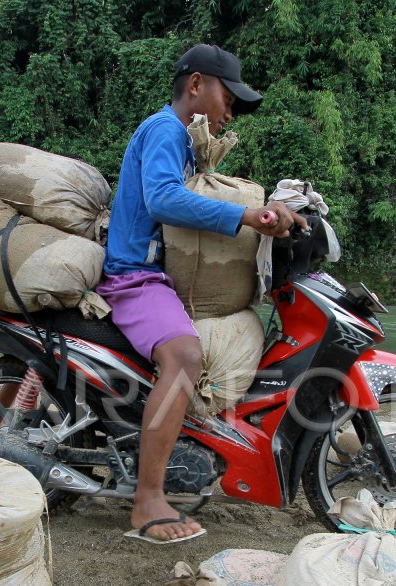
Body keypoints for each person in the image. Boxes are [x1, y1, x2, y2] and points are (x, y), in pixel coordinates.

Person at [97, 44, 305, 542]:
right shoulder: (164, 129)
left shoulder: (191, 142)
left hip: (159, 278)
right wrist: (245, 216)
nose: (230, 110)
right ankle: (147, 500)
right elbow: (165, 199)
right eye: (227, 95)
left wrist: (269, 204)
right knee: (187, 356)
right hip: (134, 277)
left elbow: (210, 192)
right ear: (196, 85)